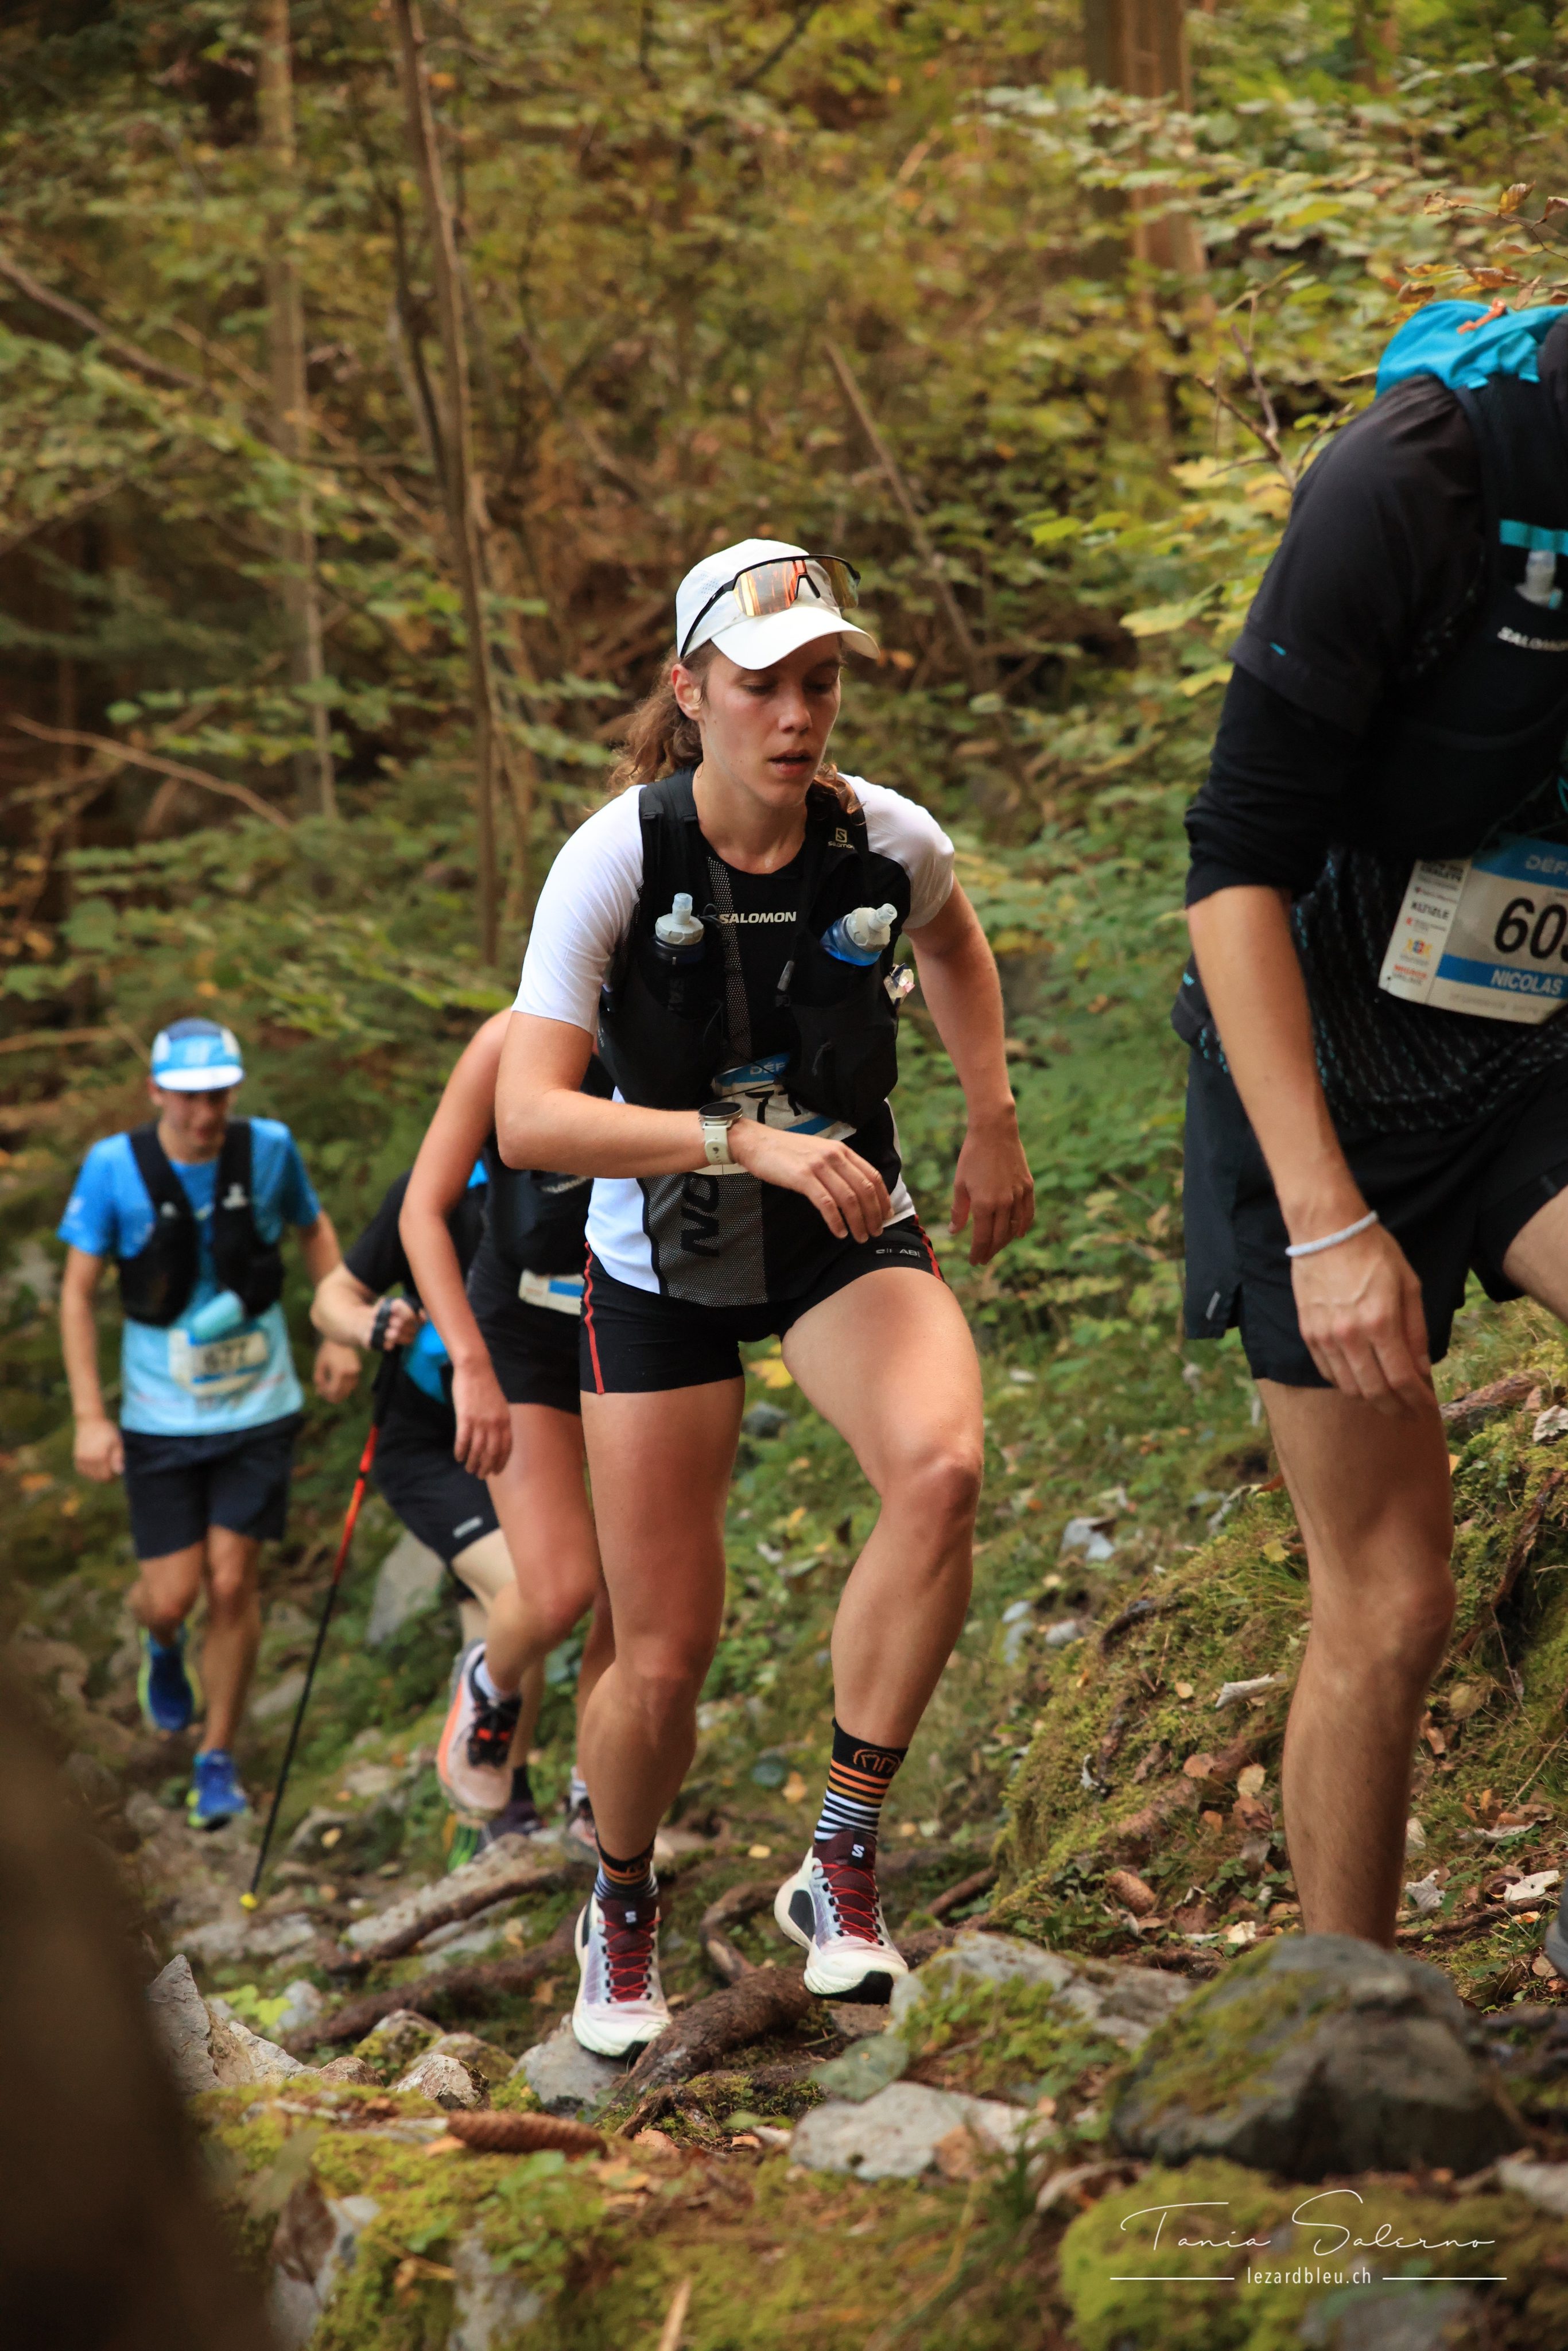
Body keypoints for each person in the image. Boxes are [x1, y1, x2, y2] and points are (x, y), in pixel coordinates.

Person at [495, 537, 1035, 2055]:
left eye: (822, 681)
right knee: (661, 1656)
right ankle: (618, 1897)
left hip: (835, 1228)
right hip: (657, 1260)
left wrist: (990, 1114)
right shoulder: (617, 857)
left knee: (941, 1469)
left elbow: (954, 943)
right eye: (761, 686)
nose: (797, 715)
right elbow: (528, 1117)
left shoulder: (886, 838)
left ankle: (839, 1856)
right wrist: (740, 1142)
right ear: (689, 692)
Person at [1175, 300, 1568, 1964]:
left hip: (1531, 1057)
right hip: (1319, 1065)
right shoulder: (1414, 476)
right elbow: (1229, 875)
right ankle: (1343, 2021)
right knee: (1391, 1600)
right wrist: (1327, 1224)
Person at [58, 1018, 339, 1826]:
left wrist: (334, 1328)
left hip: (260, 1404)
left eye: (217, 1094)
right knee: (171, 1596)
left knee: (232, 1580)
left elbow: (313, 1230)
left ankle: (217, 1758)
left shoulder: (269, 1150)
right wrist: (90, 1417)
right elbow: (77, 1292)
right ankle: (160, 1641)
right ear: (156, 1091)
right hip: (159, 1417)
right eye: (187, 1096)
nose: (204, 1112)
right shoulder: (113, 1168)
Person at [399, 1014, 615, 1853]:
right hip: (521, 1328)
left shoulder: (694, 1020)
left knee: (639, 1593)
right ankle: (490, 1681)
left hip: (642, 1317)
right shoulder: (507, 1043)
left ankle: (601, 1795)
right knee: (558, 1590)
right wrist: (469, 1365)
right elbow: (422, 1211)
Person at [310, 1159, 560, 1857]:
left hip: (524, 1437)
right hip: (428, 1446)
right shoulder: (438, 1188)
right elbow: (330, 1297)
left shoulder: (575, 1175)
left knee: (498, 1616)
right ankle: (506, 1808)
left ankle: (484, 1821)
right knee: (526, 1591)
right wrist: (365, 1323)